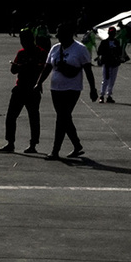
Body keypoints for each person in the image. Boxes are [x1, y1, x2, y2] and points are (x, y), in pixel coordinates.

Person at [35, 23, 98, 160]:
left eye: (61, 34)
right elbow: (47, 67)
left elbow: (88, 70)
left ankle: (55, 150)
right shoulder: (55, 48)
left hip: (72, 89)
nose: (58, 37)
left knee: (62, 118)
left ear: (69, 34)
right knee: (65, 118)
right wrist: (39, 82)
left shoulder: (80, 49)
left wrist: (93, 89)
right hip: (56, 88)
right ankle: (77, 145)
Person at [0, 29, 44, 153]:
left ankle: (33, 144)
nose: (23, 43)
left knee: (33, 117)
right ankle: (10, 142)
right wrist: (17, 66)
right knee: (11, 116)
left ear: (31, 40)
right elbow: (13, 70)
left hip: (33, 89)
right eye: (21, 40)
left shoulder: (40, 52)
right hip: (20, 88)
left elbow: (40, 69)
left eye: (25, 40)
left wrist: (25, 66)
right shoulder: (21, 53)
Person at [96, 26, 123, 103]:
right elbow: (99, 51)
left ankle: (109, 95)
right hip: (107, 63)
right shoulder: (104, 42)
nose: (112, 35)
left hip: (114, 63)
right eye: (111, 33)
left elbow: (119, 52)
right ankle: (102, 95)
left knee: (112, 80)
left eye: (113, 33)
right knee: (105, 79)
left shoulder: (116, 42)